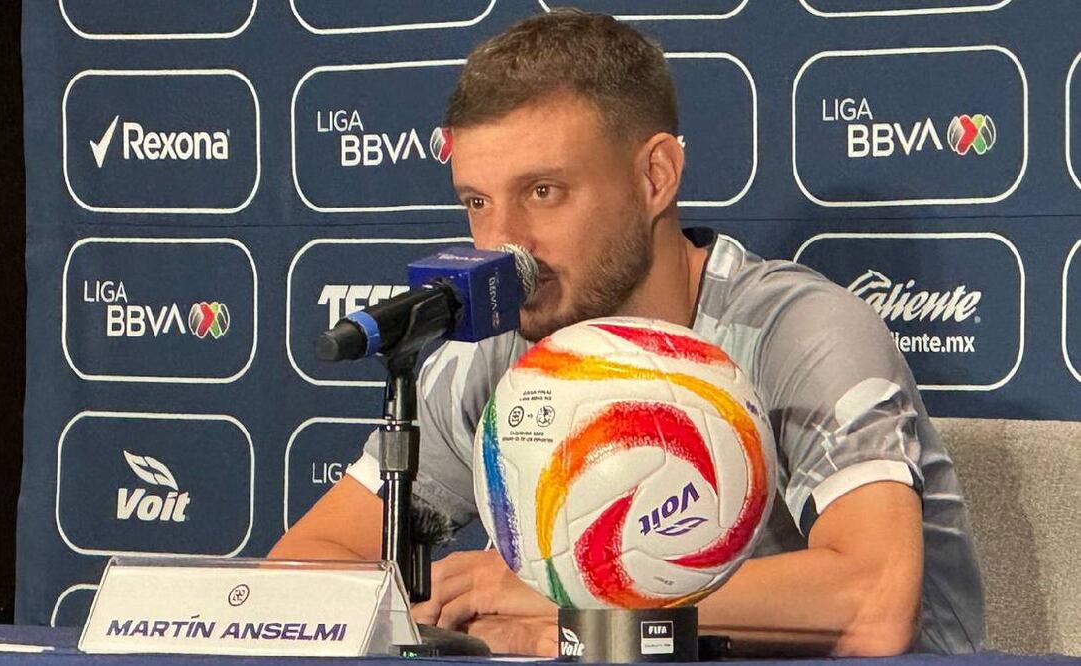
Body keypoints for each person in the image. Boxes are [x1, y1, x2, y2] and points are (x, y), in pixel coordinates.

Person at [272, 9, 984, 657]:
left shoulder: (796, 332)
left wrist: (573, 598)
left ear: (655, 177)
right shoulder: (499, 354)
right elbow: (306, 564)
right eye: (477, 202)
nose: (502, 244)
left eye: (542, 192)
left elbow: (872, 603)